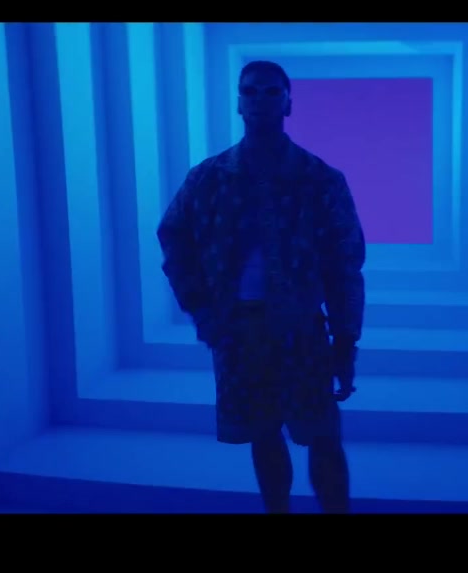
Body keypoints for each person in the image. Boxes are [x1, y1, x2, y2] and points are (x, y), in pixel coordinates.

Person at [156, 60, 366, 514]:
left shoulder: (320, 179)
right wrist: (203, 312)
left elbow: (345, 264)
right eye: (250, 91)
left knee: (323, 434)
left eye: (272, 92)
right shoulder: (207, 179)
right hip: (238, 329)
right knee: (263, 433)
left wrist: (346, 340)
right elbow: (174, 240)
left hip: (302, 328)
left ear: (288, 103)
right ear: (238, 102)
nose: (260, 99)